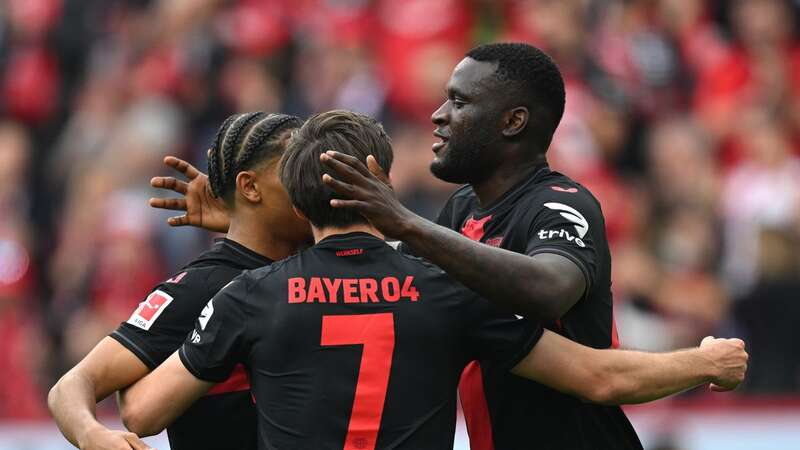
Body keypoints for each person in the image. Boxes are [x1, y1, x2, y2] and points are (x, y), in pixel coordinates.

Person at [118, 110, 747, 450]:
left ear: (300, 198)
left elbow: (140, 412)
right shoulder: (448, 291)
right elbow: (600, 376)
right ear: (380, 179)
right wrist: (704, 361)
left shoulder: (246, 294)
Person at [318, 42, 669, 449]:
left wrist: (406, 223)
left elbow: (550, 290)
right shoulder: (463, 208)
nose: (438, 115)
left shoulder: (561, 203)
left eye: (459, 102)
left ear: (513, 121)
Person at [48, 112, 310, 450]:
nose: (311, 185)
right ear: (249, 187)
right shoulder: (201, 287)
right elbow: (72, 384)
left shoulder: (326, 264)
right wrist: (91, 433)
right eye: (296, 173)